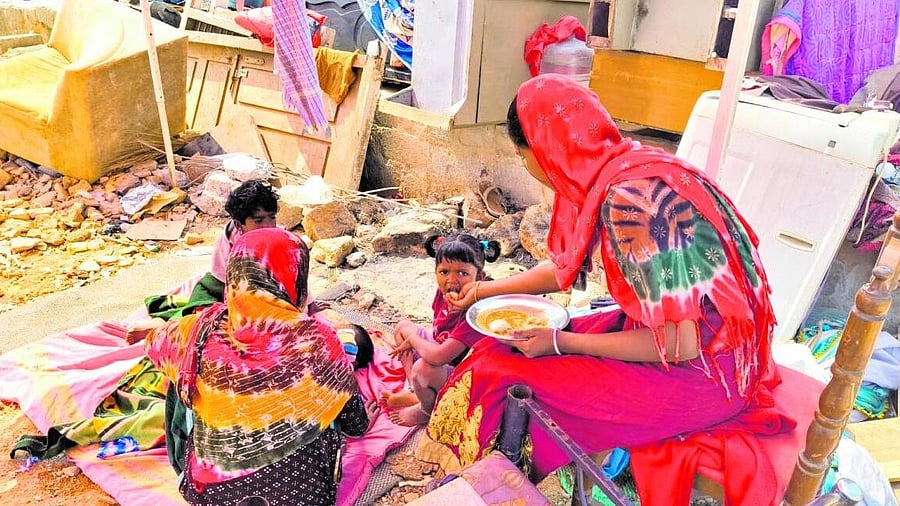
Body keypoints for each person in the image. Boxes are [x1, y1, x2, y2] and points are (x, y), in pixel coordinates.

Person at [419, 74, 793, 503]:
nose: (525, 165)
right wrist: (485, 292)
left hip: (708, 371)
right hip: (694, 341)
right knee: (496, 348)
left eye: (521, 154)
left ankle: (501, 482)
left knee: (500, 373)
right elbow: (563, 270)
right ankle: (495, 474)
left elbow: (679, 342)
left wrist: (562, 342)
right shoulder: (620, 165)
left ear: (545, 147)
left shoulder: (630, 202)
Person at [127, 228, 376, 505]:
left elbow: (156, 342)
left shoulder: (196, 330)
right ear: (296, 277)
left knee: (189, 382)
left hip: (211, 497)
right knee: (325, 408)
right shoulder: (319, 340)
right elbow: (355, 425)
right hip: (302, 498)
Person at [385, 233, 500, 426]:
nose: (451, 280)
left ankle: (428, 410)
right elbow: (438, 328)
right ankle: (415, 390)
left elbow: (439, 357)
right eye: (444, 272)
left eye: (462, 273)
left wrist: (415, 341)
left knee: (424, 368)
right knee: (402, 327)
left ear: (479, 277)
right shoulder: (443, 292)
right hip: (444, 350)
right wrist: (416, 339)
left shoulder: (478, 312)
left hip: (468, 374)